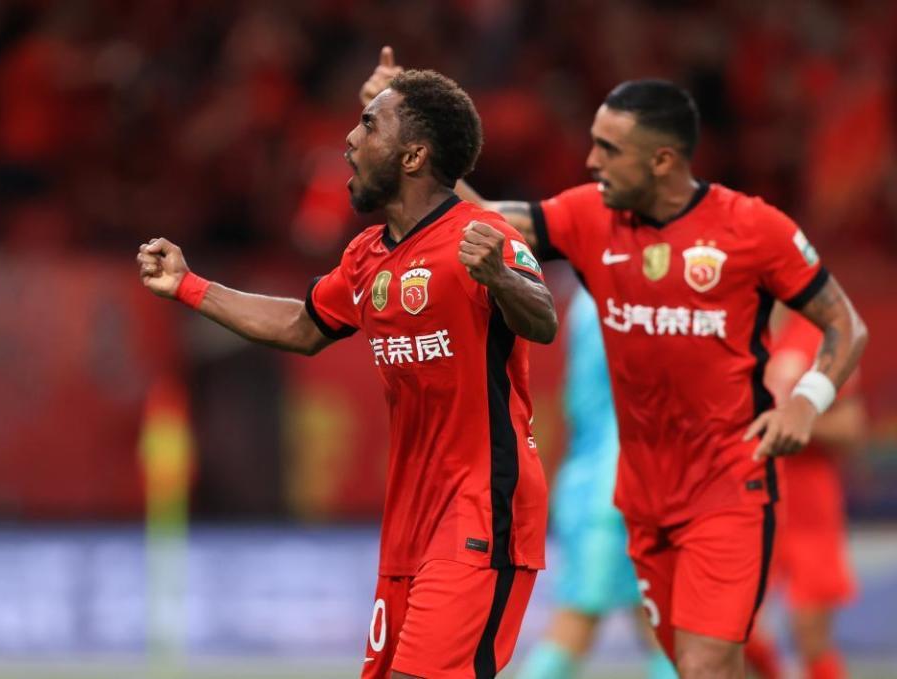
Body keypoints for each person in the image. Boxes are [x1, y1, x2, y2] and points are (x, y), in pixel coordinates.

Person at [358, 50, 869, 679]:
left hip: (726, 490)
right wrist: (405, 132)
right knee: (692, 661)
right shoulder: (588, 217)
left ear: (662, 160)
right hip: (639, 498)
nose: (591, 161)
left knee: (703, 665)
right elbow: (478, 216)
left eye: (608, 149)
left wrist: (807, 400)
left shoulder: (753, 228)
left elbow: (845, 323)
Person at [137, 69, 558, 679]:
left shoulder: (481, 235)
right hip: (409, 520)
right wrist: (189, 286)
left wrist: (502, 279)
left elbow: (542, 319)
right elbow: (302, 326)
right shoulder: (368, 256)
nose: (349, 140)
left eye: (368, 125)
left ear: (413, 155)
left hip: (480, 511)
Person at [516, 288, 677, 679]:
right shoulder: (622, 302)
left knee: (657, 624)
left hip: (609, 482)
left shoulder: (588, 300)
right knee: (578, 619)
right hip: (611, 492)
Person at [743, 307, 867, 679]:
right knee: (738, 631)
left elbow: (851, 426)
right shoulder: (734, 327)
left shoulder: (819, 335)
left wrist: (796, 420)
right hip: (748, 505)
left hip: (809, 509)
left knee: (812, 638)